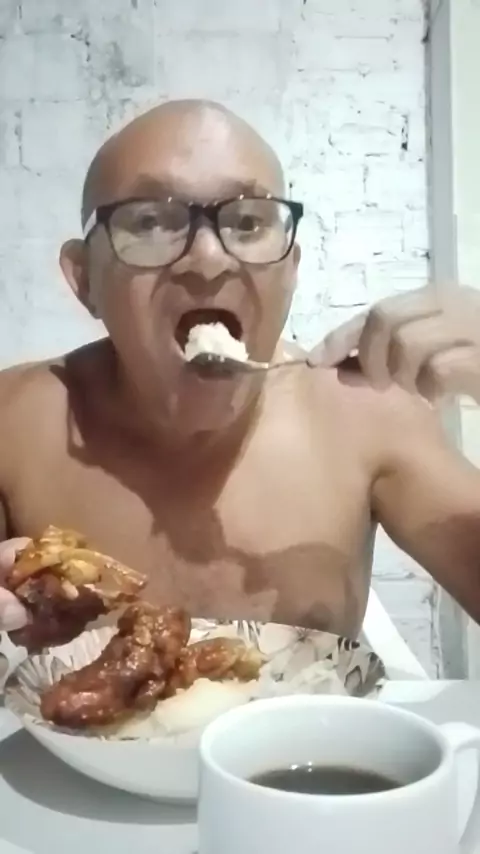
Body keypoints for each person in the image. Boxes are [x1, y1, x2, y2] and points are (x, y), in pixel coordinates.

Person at [1, 98, 480, 644]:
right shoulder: (15, 424)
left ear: (291, 269)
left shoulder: (366, 415)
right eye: (150, 221)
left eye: (249, 222)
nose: (209, 258)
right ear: (85, 277)